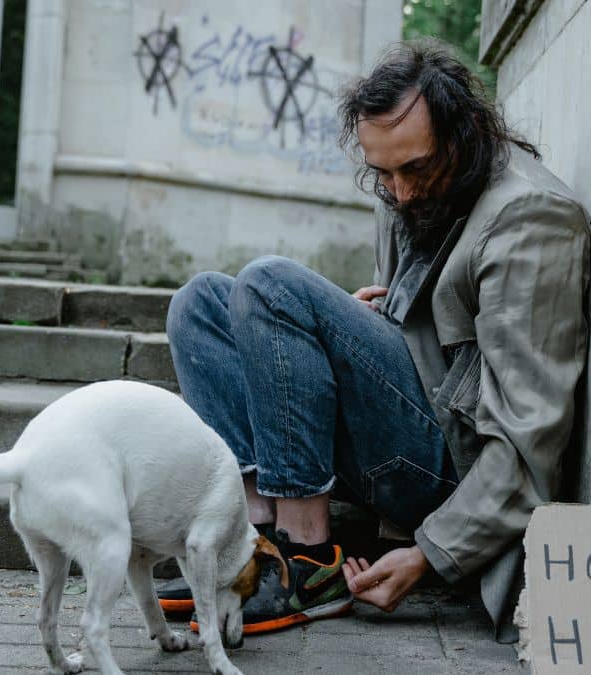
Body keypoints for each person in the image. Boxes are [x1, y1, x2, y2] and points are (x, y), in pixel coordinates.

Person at [162, 40, 589, 642]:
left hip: (456, 475)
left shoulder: (531, 217)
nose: (402, 192)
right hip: (409, 424)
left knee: (270, 285)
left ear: (464, 134)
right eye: (383, 173)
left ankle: (306, 560)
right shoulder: (407, 188)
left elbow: (529, 446)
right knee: (200, 302)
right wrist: (376, 322)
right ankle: (248, 545)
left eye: (415, 168)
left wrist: (429, 555)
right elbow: (424, 332)